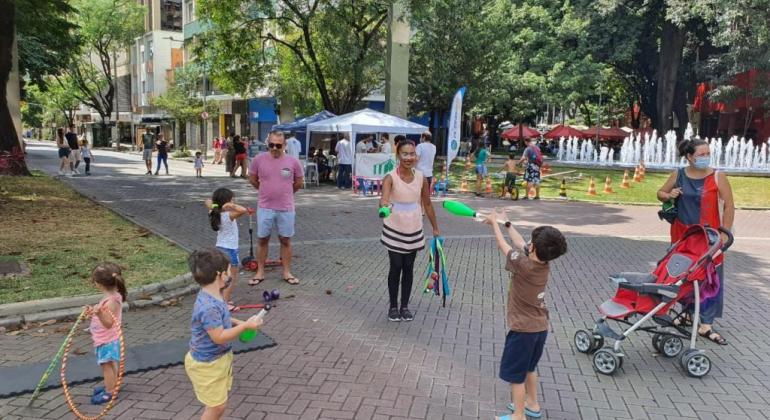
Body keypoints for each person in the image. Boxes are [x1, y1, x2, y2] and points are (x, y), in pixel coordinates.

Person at [483, 210, 567, 420]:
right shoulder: (543, 263)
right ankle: (533, 404)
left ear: (535, 248)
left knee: (516, 377)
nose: (528, 242)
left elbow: (505, 247)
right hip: (539, 328)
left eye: (532, 241)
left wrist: (494, 224)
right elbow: (521, 244)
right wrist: (507, 223)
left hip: (523, 331)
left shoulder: (525, 265)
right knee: (530, 368)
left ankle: (518, 416)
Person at [656, 137, 735, 345]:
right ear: (689, 157)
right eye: (701, 155)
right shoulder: (679, 174)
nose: (706, 158)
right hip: (683, 236)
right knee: (684, 275)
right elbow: (660, 193)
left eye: (708, 153)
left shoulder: (718, 176)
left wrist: (725, 232)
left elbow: (729, 205)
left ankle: (706, 324)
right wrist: (669, 194)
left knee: (710, 278)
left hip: (710, 237)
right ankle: (688, 313)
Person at [184, 249, 263, 420]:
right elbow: (218, 336)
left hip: (218, 359)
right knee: (217, 407)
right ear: (220, 275)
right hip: (207, 364)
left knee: (217, 403)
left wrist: (239, 323)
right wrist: (245, 327)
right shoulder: (208, 306)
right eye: (228, 271)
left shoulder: (212, 294)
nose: (230, 274)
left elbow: (221, 318)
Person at [379, 140, 441, 322]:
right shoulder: (390, 177)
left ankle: (404, 306)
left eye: (412, 154)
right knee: (396, 266)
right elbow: (383, 199)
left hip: (414, 227)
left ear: (416, 155)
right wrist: (384, 206)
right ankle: (393, 306)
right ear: (398, 155)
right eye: (405, 154)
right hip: (394, 227)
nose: (409, 157)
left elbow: (427, 204)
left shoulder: (422, 177)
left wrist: (435, 227)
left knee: (408, 268)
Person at [248, 130, 304, 286]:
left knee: (285, 240)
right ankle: (260, 271)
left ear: (284, 145)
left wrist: (285, 193)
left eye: (278, 145)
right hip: (265, 207)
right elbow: (252, 179)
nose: (274, 148)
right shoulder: (258, 160)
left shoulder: (293, 162)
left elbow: (298, 183)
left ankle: (286, 272)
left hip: (286, 208)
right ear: (268, 143)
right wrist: (265, 191)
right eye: (271, 144)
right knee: (262, 239)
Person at [87, 262, 127, 405]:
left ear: (98, 283)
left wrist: (98, 314)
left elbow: (108, 323)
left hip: (106, 339)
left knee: (106, 365)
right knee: (111, 363)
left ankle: (110, 392)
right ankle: (113, 385)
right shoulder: (114, 295)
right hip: (107, 338)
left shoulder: (111, 301)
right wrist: (94, 311)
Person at [206, 188, 249, 312]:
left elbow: (207, 201)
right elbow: (243, 210)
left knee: (223, 277)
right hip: (229, 250)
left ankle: (222, 299)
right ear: (226, 202)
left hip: (220, 248)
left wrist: (216, 205)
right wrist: (231, 206)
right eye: (232, 199)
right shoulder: (227, 215)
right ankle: (224, 304)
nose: (233, 201)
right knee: (231, 279)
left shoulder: (214, 212)